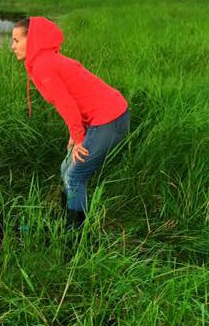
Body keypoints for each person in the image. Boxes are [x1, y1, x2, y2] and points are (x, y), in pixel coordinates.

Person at [11, 16, 130, 227]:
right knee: (65, 168)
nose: (13, 46)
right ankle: (67, 216)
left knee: (75, 175)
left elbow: (66, 104)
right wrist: (74, 135)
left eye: (16, 40)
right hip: (101, 116)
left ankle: (75, 231)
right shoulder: (44, 61)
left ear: (33, 39)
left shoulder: (43, 65)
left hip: (110, 118)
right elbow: (73, 99)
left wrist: (78, 138)